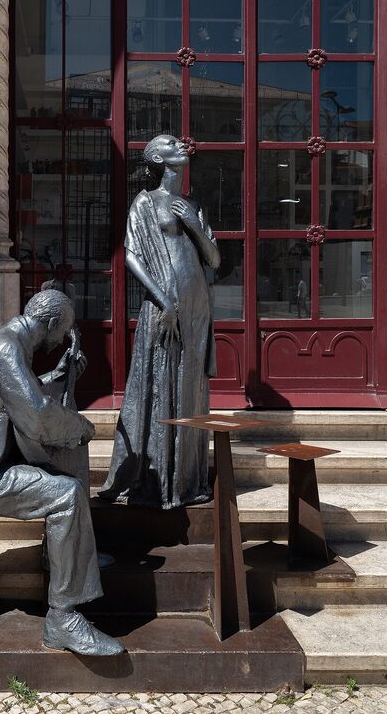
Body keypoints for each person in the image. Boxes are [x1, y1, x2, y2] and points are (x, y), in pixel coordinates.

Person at [0, 289, 124, 657]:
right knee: (67, 494)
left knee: (65, 463)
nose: (58, 341)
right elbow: (38, 419)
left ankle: (69, 556)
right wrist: (81, 427)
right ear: (49, 324)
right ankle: (63, 618)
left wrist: (58, 374)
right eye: (60, 333)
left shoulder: (2, 341)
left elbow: (21, 394)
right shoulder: (7, 349)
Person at [99, 135, 221, 509]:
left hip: (197, 306)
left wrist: (196, 227)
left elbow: (214, 260)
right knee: (161, 383)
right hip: (164, 306)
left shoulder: (192, 205)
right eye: (171, 143)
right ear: (156, 157)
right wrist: (163, 299)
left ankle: (187, 478)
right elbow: (132, 256)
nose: (182, 144)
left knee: (190, 388)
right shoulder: (145, 203)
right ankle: (159, 478)